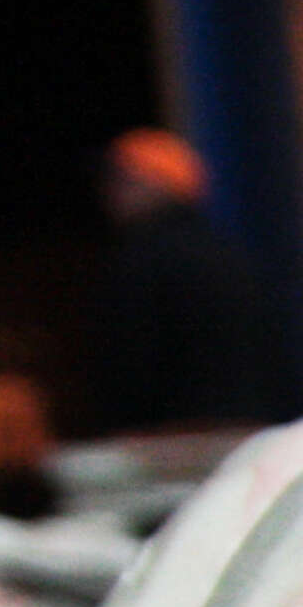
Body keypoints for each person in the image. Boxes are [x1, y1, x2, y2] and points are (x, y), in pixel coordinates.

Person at [83, 128, 281, 436]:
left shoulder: (145, 258)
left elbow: (133, 361)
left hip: (171, 443)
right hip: (243, 431)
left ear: (156, 184)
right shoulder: (226, 251)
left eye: (122, 180)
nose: (109, 194)